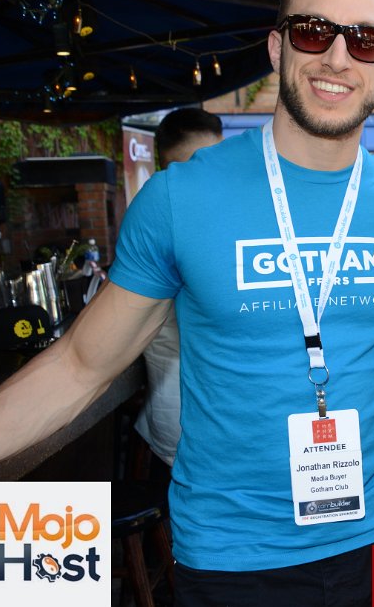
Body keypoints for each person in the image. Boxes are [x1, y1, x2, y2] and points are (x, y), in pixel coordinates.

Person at [0, 0, 374, 606]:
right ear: (278, 47)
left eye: (366, 41)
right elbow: (81, 365)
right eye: (315, 31)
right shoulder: (180, 199)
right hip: (232, 562)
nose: (339, 58)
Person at [134, 108, 223, 473]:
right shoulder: (165, 222)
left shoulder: (213, 216)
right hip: (187, 428)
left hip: (201, 425)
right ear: (167, 168)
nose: (211, 177)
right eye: (196, 165)